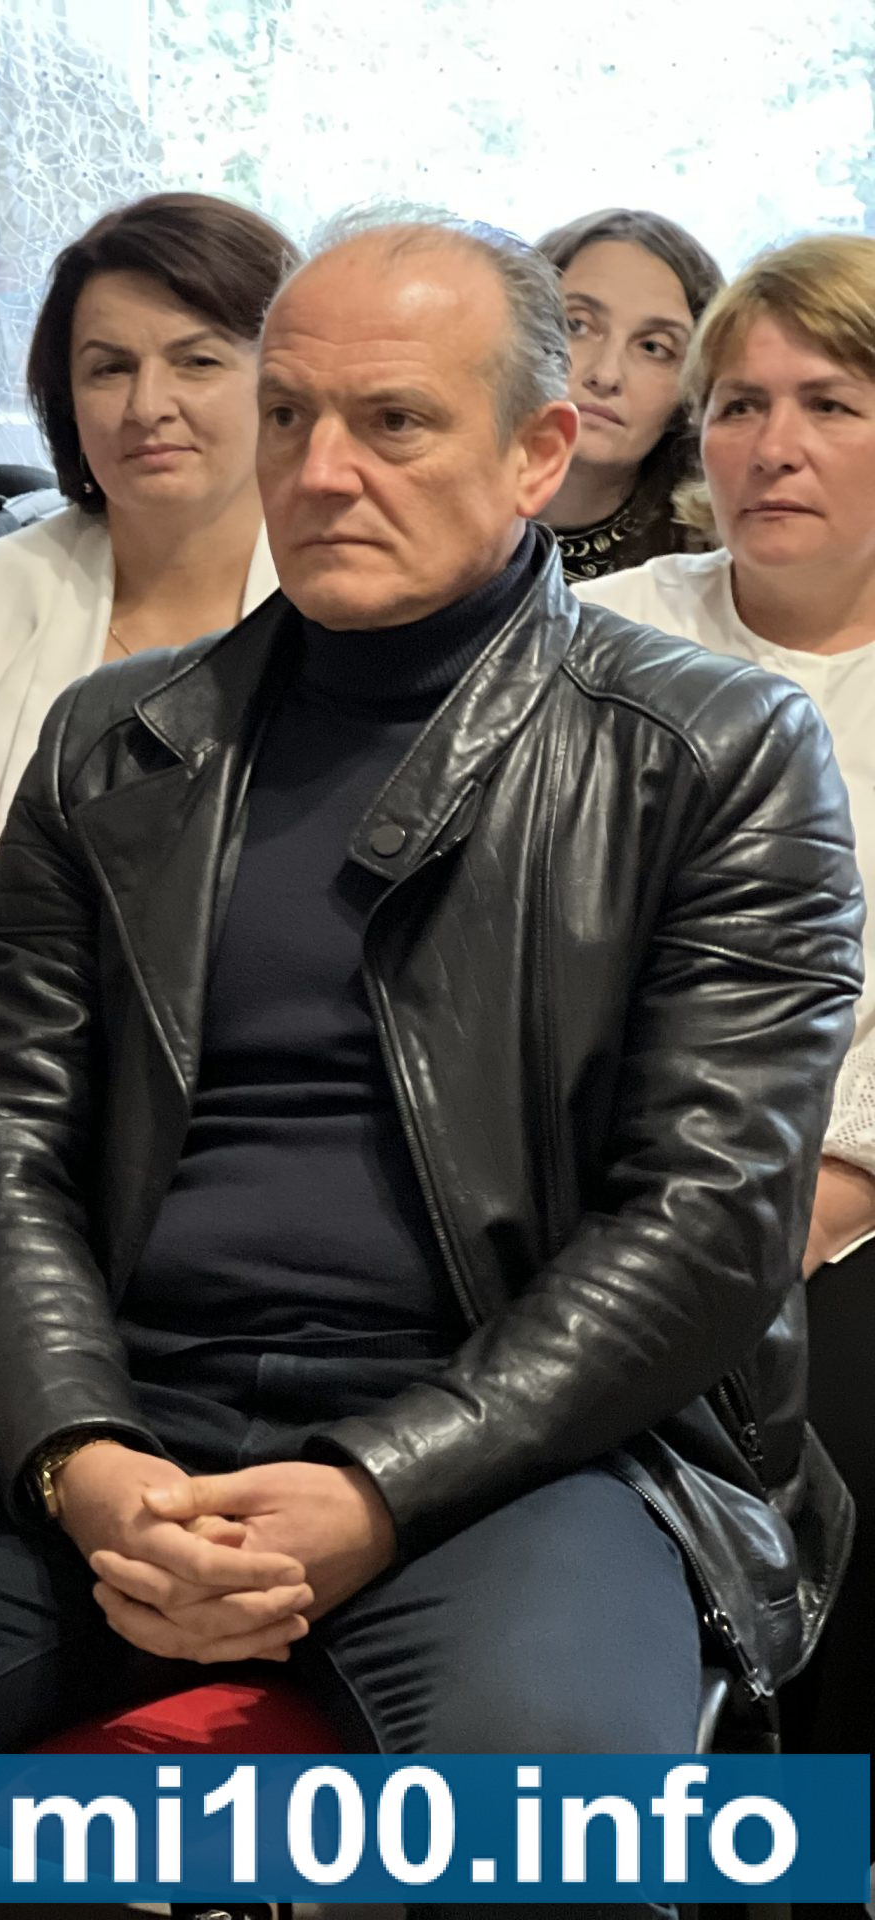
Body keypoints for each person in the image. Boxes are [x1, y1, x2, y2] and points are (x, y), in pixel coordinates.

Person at [0, 216, 860, 1918]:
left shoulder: (716, 752)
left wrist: (375, 1487)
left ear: (538, 452)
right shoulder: (117, 738)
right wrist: (78, 1455)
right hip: (129, 1401)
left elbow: (711, 1222)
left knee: (559, 1844)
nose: (322, 470)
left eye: (395, 422)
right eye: (290, 416)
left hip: (525, 1439)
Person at [0, 191, 294, 1477]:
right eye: (107, 367)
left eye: (196, 359)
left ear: (279, 381)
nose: (148, 403)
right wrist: (29, 1103)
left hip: (259, 1132)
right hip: (2, 1120)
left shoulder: (345, 598)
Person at [581, 231, 875, 1768]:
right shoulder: (607, 630)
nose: (775, 446)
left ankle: (807, 1836)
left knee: (833, 1427)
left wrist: (826, 1182)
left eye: (829, 404)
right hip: (597, 1171)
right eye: (742, 405)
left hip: (841, 1197)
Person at [536, 208, 723, 582]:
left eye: (653, 347)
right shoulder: (432, 503)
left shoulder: (709, 575)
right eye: (577, 325)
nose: (606, 375)